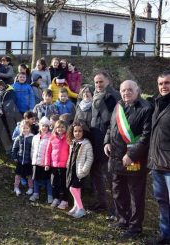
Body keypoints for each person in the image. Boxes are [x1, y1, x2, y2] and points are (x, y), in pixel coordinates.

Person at [104, 80, 152, 238]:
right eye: (123, 90)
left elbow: (146, 136)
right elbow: (111, 127)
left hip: (134, 160)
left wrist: (132, 155)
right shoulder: (118, 106)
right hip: (116, 157)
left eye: (130, 90)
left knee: (135, 194)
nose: (126, 93)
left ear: (137, 90)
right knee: (118, 191)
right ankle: (122, 219)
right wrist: (107, 142)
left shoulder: (146, 108)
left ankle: (134, 227)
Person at [90, 71, 120, 212]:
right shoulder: (95, 96)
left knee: (111, 175)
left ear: (108, 81)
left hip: (108, 141)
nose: (98, 84)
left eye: (101, 81)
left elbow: (113, 122)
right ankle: (102, 202)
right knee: (96, 172)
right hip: (96, 139)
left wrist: (108, 140)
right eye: (96, 82)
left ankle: (116, 207)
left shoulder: (112, 97)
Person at [147, 71, 170, 245]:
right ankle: (165, 236)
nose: (164, 86)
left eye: (167, 83)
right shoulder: (157, 104)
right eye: (161, 83)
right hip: (157, 165)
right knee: (162, 203)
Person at [66, 121, 93, 218]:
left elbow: (89, 158)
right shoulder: (73, 143)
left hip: (80, 171)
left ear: (83, 132)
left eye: (80, 131)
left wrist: (84, 170)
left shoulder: (86, 144)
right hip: (72, 170)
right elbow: (70, 155)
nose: (77, 133)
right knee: (77, 190)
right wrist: (67, 164)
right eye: (75, 131)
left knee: (73, 188)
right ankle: (75, 206)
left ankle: (81, 209)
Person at [45, 120, 69, 209]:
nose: (60, 129)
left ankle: (64, 200)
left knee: (64, 183)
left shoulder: (68, 138)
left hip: (64, 166)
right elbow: (48, 151)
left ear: (66, 128)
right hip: (54, 165)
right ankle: (56, 198)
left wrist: (68, 163)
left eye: (62, 127)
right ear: (55, 128)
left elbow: (70, 152)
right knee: (54, 183)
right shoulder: (52, 138)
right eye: (58, 127)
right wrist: (47, 164)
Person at [30, 116, 53, 203]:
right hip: (36, 162)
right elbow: (33, 149)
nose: (44, 128)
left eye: (46, 126)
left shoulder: (51, 137)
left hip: (46, 163)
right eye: (43, 126)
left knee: (48, 180)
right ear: (40, 126)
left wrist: (49, 162)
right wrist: (33, 159)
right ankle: (36, 193)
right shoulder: (35, 137)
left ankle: (50, 195)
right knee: (35, 178)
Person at [11, 120, 34, 196]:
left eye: (27, 128)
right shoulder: (19, 137)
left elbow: (34, 149)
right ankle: (16, 187)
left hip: (29, 160)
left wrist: (33, 159)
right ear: (20, 129)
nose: (25, 130)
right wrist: (14, 156)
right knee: (18, 174)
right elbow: (15, 148)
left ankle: (31, 188)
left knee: (30, 175)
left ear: (29, 128)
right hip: (20, 160)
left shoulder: (32, 137)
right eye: (23, 128)